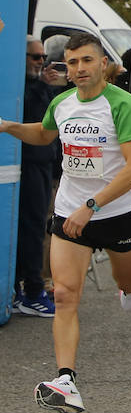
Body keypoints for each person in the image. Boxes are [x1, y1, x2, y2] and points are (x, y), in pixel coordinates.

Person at [1, 32, 131, 413]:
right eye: (71, 63)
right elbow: (44, 133)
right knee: (65, 294)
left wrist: (92, 205)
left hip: (116, 213)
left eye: (86, 60)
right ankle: (65, 379)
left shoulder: (123, 104)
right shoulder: (63, 103)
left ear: (103, 64)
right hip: (70, 209)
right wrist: (7, 126)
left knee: (126, 283)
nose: (79, 69)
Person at [12, 37, 60, 317]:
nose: (41, 62)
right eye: (35, 57)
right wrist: (43, 85)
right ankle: (30, 289)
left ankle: (26, 287)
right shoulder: (20, 86)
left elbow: (50, 122)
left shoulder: (40, 86)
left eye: (43, 57)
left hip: (43, 165)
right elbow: (30, 116)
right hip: (27, 165)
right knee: (30, 229)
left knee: (35, 227)